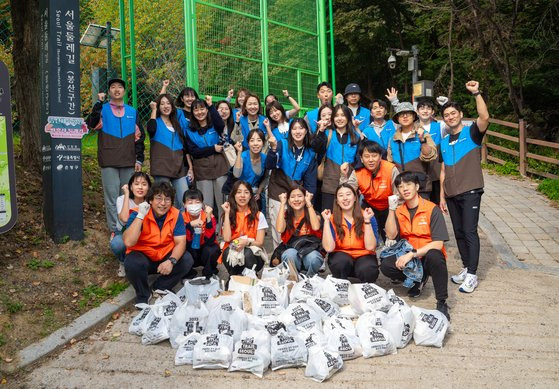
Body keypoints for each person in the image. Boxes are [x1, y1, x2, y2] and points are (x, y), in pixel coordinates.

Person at [439, 80, 489, 294]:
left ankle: (472, 275)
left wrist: (476, 93)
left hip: (470, 190)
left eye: (453, 113)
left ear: (460, 114)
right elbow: (442, 171)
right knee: (458, 232)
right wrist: (441, 195)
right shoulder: (443, 140)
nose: (450, 117)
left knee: (469, 231)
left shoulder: (472, 134)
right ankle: (466, 267)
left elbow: (485, 117)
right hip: (451, 193)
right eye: (446, 115)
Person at [381, 171, 450, 320]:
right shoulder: (399, 211)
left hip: (425, 255)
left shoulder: (432, 209)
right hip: (410, 258)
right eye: (400, 186)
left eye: (408, 184)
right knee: (386, 264)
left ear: (417, 186)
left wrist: (413, 253)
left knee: (435, 256)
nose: (404, 188)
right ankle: (417, 279)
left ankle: (442, 302)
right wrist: (391, 210)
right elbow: (391, 235)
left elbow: (438, 243)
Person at [85, 78, 145, 238]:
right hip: (109, 159)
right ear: (109, 91)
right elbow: (91, 123)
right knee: (112, 196)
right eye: (113, 87)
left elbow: (139, 137)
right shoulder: (102, 109)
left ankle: (130, 226)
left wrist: (139, 159)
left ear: (124, 92)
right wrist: (98, 103)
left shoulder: (132, 112)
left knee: (128, 195)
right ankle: (115, 229)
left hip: (128, 160)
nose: (117, 89)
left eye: (120, 87)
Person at [123, 182, 193, 304]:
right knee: (132, 263)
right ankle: (143, 294)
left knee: (187, 259)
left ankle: (160, 286)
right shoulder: (137, 212)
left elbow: (180, 242)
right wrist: (140, 215)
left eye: (167, 199)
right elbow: (129, 241)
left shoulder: (176, 214)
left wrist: (171, 261)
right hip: (144, 257)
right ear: (150, 200)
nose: (163, 203)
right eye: (158, 198)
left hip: (165, 255)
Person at [266, 118, 317, 248]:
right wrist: (272, 150)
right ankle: (279, 259)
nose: (297, 131)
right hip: (278, 191)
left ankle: (294, 258)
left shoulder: (310, 152)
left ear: (306, 131)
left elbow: (310, 179)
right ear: (290, 131)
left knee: (296, 229)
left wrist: (309, 198)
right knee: (279, 229)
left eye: (301, 128)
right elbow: (269, 165)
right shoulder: (282, 144)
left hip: (297, 194)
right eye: (294, 128)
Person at [340, 140, 399, 242]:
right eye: (367, 156)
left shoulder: (391, 169)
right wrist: (343, 176)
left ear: (380, 157)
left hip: (390, 207)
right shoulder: (357, 172)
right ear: (361, 159)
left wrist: (395, 213)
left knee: (392, 239)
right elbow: (346, 194)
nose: (371, 160)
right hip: (369, 206)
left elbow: (399, 195)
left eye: (374, 156)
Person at [183, 96, 229, 223]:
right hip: (202, 170)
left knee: (223, 202)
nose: (200, 112)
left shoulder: (214, 125)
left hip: (220, 167)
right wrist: (213, 148)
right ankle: (208, 230)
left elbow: (221, 124)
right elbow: (194, 152)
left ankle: (223, 229)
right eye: (196, 110)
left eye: (202, 108)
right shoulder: (189, 131)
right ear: (192, 113)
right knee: (206, 204)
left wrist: (211, 106)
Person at [321, 183, 378, 283]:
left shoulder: (367, 215)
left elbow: (371, 247)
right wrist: (326, 221)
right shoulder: (332, 218)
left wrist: (367, 221)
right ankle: (342, 282)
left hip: (363, 256)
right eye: (341, 195)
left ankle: (362, 284)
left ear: (355, 198)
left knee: (368, 269)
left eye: (348, 194)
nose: (345, 198)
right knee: (340, 262)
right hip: (342, 257)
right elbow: (329, 248)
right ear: (337, 201)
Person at [311, 104, 361, 211]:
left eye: (343, 115)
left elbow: (360, 161)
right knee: (328, 219)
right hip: (329, 185)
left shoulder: (355, 137)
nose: (340, 118)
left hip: (349, 186)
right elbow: (316, 148)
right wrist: (320, 131)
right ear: (333, 118)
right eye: (337, 115)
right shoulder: (327, 134)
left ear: (348, 117)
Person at [147, 94, 192, 208]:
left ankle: (182, 224)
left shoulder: (177, 124)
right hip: (162, 168)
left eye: (168, 103)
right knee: (163, 201)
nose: (165, 106)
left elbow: (184, 147)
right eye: (162, 104)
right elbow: (151, 129)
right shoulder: (155, 122)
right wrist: (154, 110)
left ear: (172, 106)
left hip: (178, 167)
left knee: (184, 199)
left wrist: (190, 167)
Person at [386, 102, 437, 198]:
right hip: (401, 187)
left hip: (421, 186)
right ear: (397, 118)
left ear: (414, 116)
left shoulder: (423, 134)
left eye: (408, 114)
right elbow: (390, 162)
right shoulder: (393, 138)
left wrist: (422, 141)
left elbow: (430, 156)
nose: (405, 116)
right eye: (401, 114)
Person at [221, 180, 269, 276]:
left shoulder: (259, 215)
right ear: (234, 195)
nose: (242, 196)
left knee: (247, 253)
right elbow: (226, 239)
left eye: (246, 192)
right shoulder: (228, 215)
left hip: (254, 254)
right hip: (234, 249)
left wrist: (246, 242)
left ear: (250, 196)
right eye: (239, 192)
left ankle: (251, 277)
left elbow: (260, 242)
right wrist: (226, 213)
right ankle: (233, 277)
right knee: (227, 251)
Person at [110, 172, 152, 277]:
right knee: (117, 244)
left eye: (144, 184)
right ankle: (123, 262)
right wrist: (127, 194)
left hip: (144, 232)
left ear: (149, 187)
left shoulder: (151, 201)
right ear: (131, 186)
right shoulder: (121, 199)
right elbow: (124, 219)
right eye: (136, 184)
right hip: (124, 232)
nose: (140, 187)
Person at [275, 186, 323, 276]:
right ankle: (294, 278)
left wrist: (309, 203)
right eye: (292, 197)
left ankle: (309, 279)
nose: (296, 199)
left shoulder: (313, 213)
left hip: (310, 251)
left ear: (305, 198)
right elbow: (279, 229)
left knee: (314, 257)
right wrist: (282, 204)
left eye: (300, 196)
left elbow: (316, 227)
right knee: (289, 254)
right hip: (293, 251)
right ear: (289, 201)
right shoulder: (286, 215)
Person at [182, 189, 220, 279]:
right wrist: (189, 225)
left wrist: (208, 219)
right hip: (190, 249)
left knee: (213, 249)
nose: (194, 205)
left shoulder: (209, 215)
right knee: (181, 251)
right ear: (184, 204)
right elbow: (181, 240)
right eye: (190, 203)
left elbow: (211, 241)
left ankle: (209, 273)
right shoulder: (181, 217)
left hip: (204, 249)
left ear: (202, 204)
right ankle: (188, 273)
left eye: (197, 202)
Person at [228, 129, 268, 210]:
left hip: (254, 194)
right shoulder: (243, 156)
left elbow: (266, 177)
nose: (255, 144)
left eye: (259, 140)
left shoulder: (264, 158)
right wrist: (239, 152)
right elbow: (236, 174)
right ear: (248, 143)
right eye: (252, 140)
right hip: (240, 194)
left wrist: (259, 191)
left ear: (263, 143)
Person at [416, 97, 444, 204]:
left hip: (436, 172)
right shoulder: (413, 128)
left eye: (428, 108)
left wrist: (444, 105)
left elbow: (450, 120)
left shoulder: (439, 126)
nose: (425, 111)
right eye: (422, 108)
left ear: (432, 112)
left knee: (436, 203)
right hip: (420, 171)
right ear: (417, 112)